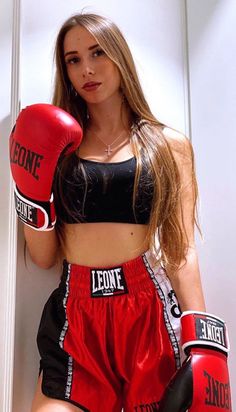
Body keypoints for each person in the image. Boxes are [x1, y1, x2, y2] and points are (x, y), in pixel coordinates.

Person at [10, 12, 231, 412]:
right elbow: (44, 258)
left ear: (120, 57)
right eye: (73, 59)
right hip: (76, 316)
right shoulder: (57, 148)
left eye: (97, 53)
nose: (86, 69)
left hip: (146, 312)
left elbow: (181, 253)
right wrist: (30, 190)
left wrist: (205, 346)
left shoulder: (168, 146)